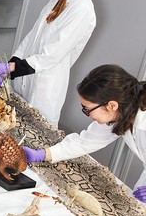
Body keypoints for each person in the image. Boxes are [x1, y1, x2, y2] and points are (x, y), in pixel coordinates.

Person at [0, 0, 96, 126]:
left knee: (32, 134)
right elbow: (30, 39)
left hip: (44, 92)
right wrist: (8, 69)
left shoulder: (82, 8)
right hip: (25, 82)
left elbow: (51, 55)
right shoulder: (55, 3)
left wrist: (10, 67)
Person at [22, 64, 146, 204]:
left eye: (87, 109)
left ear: (112, 105)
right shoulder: (122, 112)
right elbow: (86, 141)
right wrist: (43, 154)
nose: (87, 114)